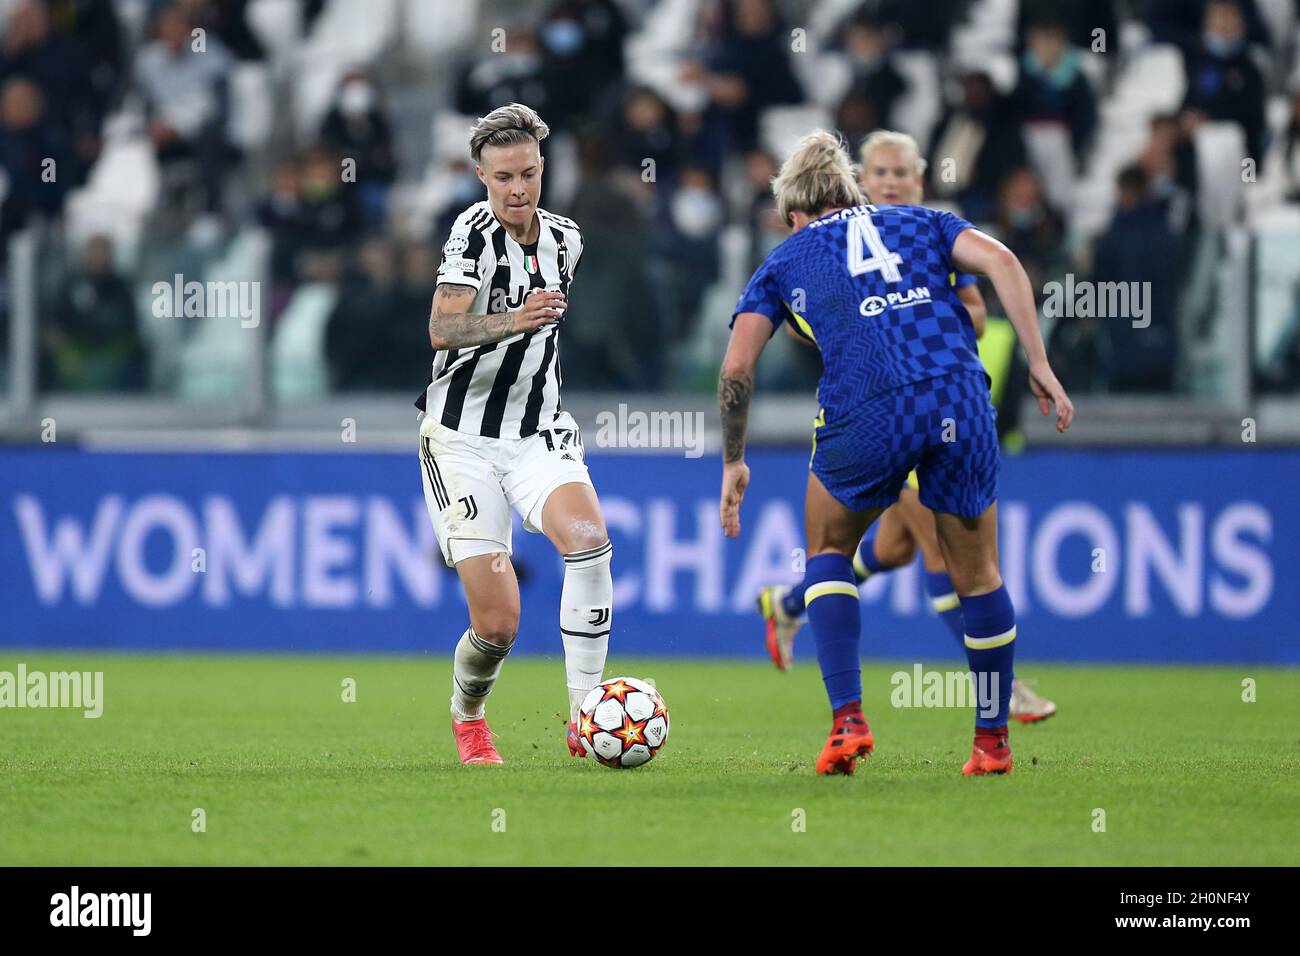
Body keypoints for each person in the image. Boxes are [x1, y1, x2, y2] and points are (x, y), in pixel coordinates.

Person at [718, 131, 1073, 776]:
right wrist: (1041, 363)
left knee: (829, 548)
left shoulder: (785, 257)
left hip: (870, 407)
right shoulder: (926, 221)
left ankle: (847, 719)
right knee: (980, 572)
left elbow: (737, 367)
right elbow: (1004, 265)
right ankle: (992, 741)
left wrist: (733, 459)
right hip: (959, 397)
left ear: (793, 215)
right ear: (856, 190)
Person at [418, 103, 612, 765]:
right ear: (481, 175)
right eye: (503, 177)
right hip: (463, 439)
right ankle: (468, 715)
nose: (517, 189)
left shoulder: (567, 240)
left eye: (527, 173)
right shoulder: (470, 233)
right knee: (498, 625)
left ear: (542, 169)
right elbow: (443, 329)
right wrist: (514, 319)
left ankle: (587, 717)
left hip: (538, 432)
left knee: (588, 541)